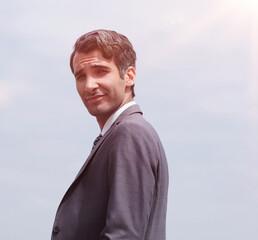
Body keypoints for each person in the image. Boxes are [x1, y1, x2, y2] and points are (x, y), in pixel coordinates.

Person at [51, 29, 169, 240]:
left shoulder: (130, 132)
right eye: (81, 76)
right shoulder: (119, 133)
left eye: (100, 71)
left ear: (129, 76)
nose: (89, 86)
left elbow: (124, 235)